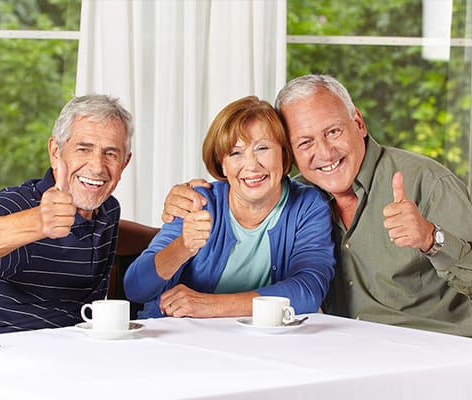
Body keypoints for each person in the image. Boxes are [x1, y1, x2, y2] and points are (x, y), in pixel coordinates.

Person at [162, 75, 472, 339]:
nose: (324, 152)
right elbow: (242, 189)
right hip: (357, 351)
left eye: (333, 131)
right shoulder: (300, 200)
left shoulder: (425, 181)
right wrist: (193, 195)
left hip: (455, 346)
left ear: (359, 124)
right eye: (305, 142)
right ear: (289, 152)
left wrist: (431, 239)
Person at [123, 96, 335, 319]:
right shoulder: (200, 202)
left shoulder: (307, 206)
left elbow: (309, 291)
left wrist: (211, 306)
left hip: (250, 344)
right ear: (222, 164)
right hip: (174, 337)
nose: (252, 165)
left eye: (262, 148)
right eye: (235, 153)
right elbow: (136, 288)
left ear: (283, 153)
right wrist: (182, 247)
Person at [0, 94, 133, 333]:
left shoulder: (109, 211)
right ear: (55, 152)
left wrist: (169, 236)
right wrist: (38, 221)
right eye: (83, 149)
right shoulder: (20, 204)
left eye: (110, 154)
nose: (97, 167)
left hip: (81, 354)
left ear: (124, 163)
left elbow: (122, 233)